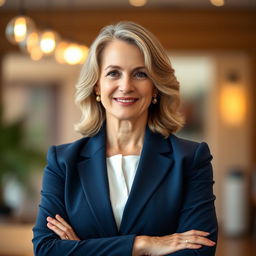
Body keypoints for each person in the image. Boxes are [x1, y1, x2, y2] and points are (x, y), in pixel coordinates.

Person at [32, 21, 218, 256]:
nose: (126, 85)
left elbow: (197, 252)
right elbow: (46, 249)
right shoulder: (63, 162)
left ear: (156, 88)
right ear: (97, 86)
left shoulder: (191, 159)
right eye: (113, 73)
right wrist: (143, 245)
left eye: (140, 74)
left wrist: (80, 248)